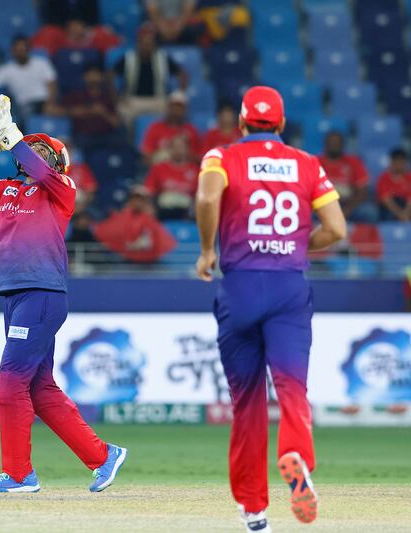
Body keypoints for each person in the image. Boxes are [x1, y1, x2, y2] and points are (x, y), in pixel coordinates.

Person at [194, 86, 347, 532]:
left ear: (241, 122)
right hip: (288, 288)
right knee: (292, 389)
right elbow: (336, 228)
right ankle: (295, 454)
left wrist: (207, 251)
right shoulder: (307, 163)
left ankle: (254, 508)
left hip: (239, 285)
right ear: (280, 124)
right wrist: (297, 245)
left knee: (247, 402)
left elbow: (206, 199)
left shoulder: (220, 157)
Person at [0, 94, 127, 494]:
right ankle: (104, 455)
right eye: (28, 148)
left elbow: (37, 164)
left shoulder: (61, 189)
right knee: (38, 388)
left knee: (9, 384)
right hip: (16, 295)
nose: (32, 152)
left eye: (41, 149)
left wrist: (13, 135)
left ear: (57, 162)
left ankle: (19, 475)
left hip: (42, 293)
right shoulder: (8, 191)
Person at [114, 24, 188, 125]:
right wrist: (117, 96)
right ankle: (129, 140)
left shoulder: (162, 58)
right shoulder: (129, 58)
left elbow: (182, 74)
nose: (146, 46)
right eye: (144, 43)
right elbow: (110, 74)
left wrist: (179, 93)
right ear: (138, 43)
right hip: (134, 99)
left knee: (172, 112)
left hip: (158, 99)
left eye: (149, 43)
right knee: (123, 112)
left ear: (154, 44)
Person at [0, 36, 57, 129]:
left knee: (58, 112)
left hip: (46, 102)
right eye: (18, 50)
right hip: (25, 106)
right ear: (13, 51)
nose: (21, 53)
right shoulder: (7, 70)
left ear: (29, 49)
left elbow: (52, 84)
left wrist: (50, 102)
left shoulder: (41, 63)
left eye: (23, 50)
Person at [93, 185, 176, 262]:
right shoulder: (121, 218)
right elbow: (102, 233)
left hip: (150, 263)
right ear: (129, 201)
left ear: (146, 202)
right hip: (127, 261)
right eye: (134, 199)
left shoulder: (152, 221)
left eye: (141, 200)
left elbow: (156, 243)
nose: (137, 202)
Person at [57, 64, 124, 150]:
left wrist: (103, 112)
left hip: (106, 136)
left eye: (96, 74)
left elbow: (116, 123)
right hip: (84, 136)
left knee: (121, 143)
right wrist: (88, 111)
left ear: (102, 77)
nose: (93, 77)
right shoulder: (76, 96)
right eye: (90, 74)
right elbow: (56, 110)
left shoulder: (107, 97)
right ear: (84, 77)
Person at [316, 131, 371, 221]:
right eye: (332, 143)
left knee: (369, 213)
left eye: (337, 143)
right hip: (323, 204)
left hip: (349, 203)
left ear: (343, 145)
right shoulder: (316, 162)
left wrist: (349, 208)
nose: (334, 145)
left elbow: (363, 190)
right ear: (326, 144)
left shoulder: (354, 162)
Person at [145, 136, 199, 220]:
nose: (178, 151)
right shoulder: (159, 168)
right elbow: (149, 191)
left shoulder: (195, 170)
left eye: (181, 147)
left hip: (187, 213)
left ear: (187, 149)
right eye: (174, 147)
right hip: (162, 212)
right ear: (169, 150)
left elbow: (200, 195)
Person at [141, 90, 201, 165]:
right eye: (173, 106)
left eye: (179, 107)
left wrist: (182, 152)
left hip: (185, 172)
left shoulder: (191, 131)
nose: (176, 110)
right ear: (168, 107)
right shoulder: (155, 128)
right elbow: (145, 157)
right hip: (161, 171)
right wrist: (161, 155)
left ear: (185, 110)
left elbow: (199, 159)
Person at [376, 148, 411, 221]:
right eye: (396, 162)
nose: (399, 165)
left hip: (406, 209)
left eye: (401, 162)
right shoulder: (384, 178)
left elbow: (409, 200)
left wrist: (406, 213)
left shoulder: (409, 178)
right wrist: (400, 214)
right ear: (391, 162)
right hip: (390, 210)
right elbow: (386, 200)